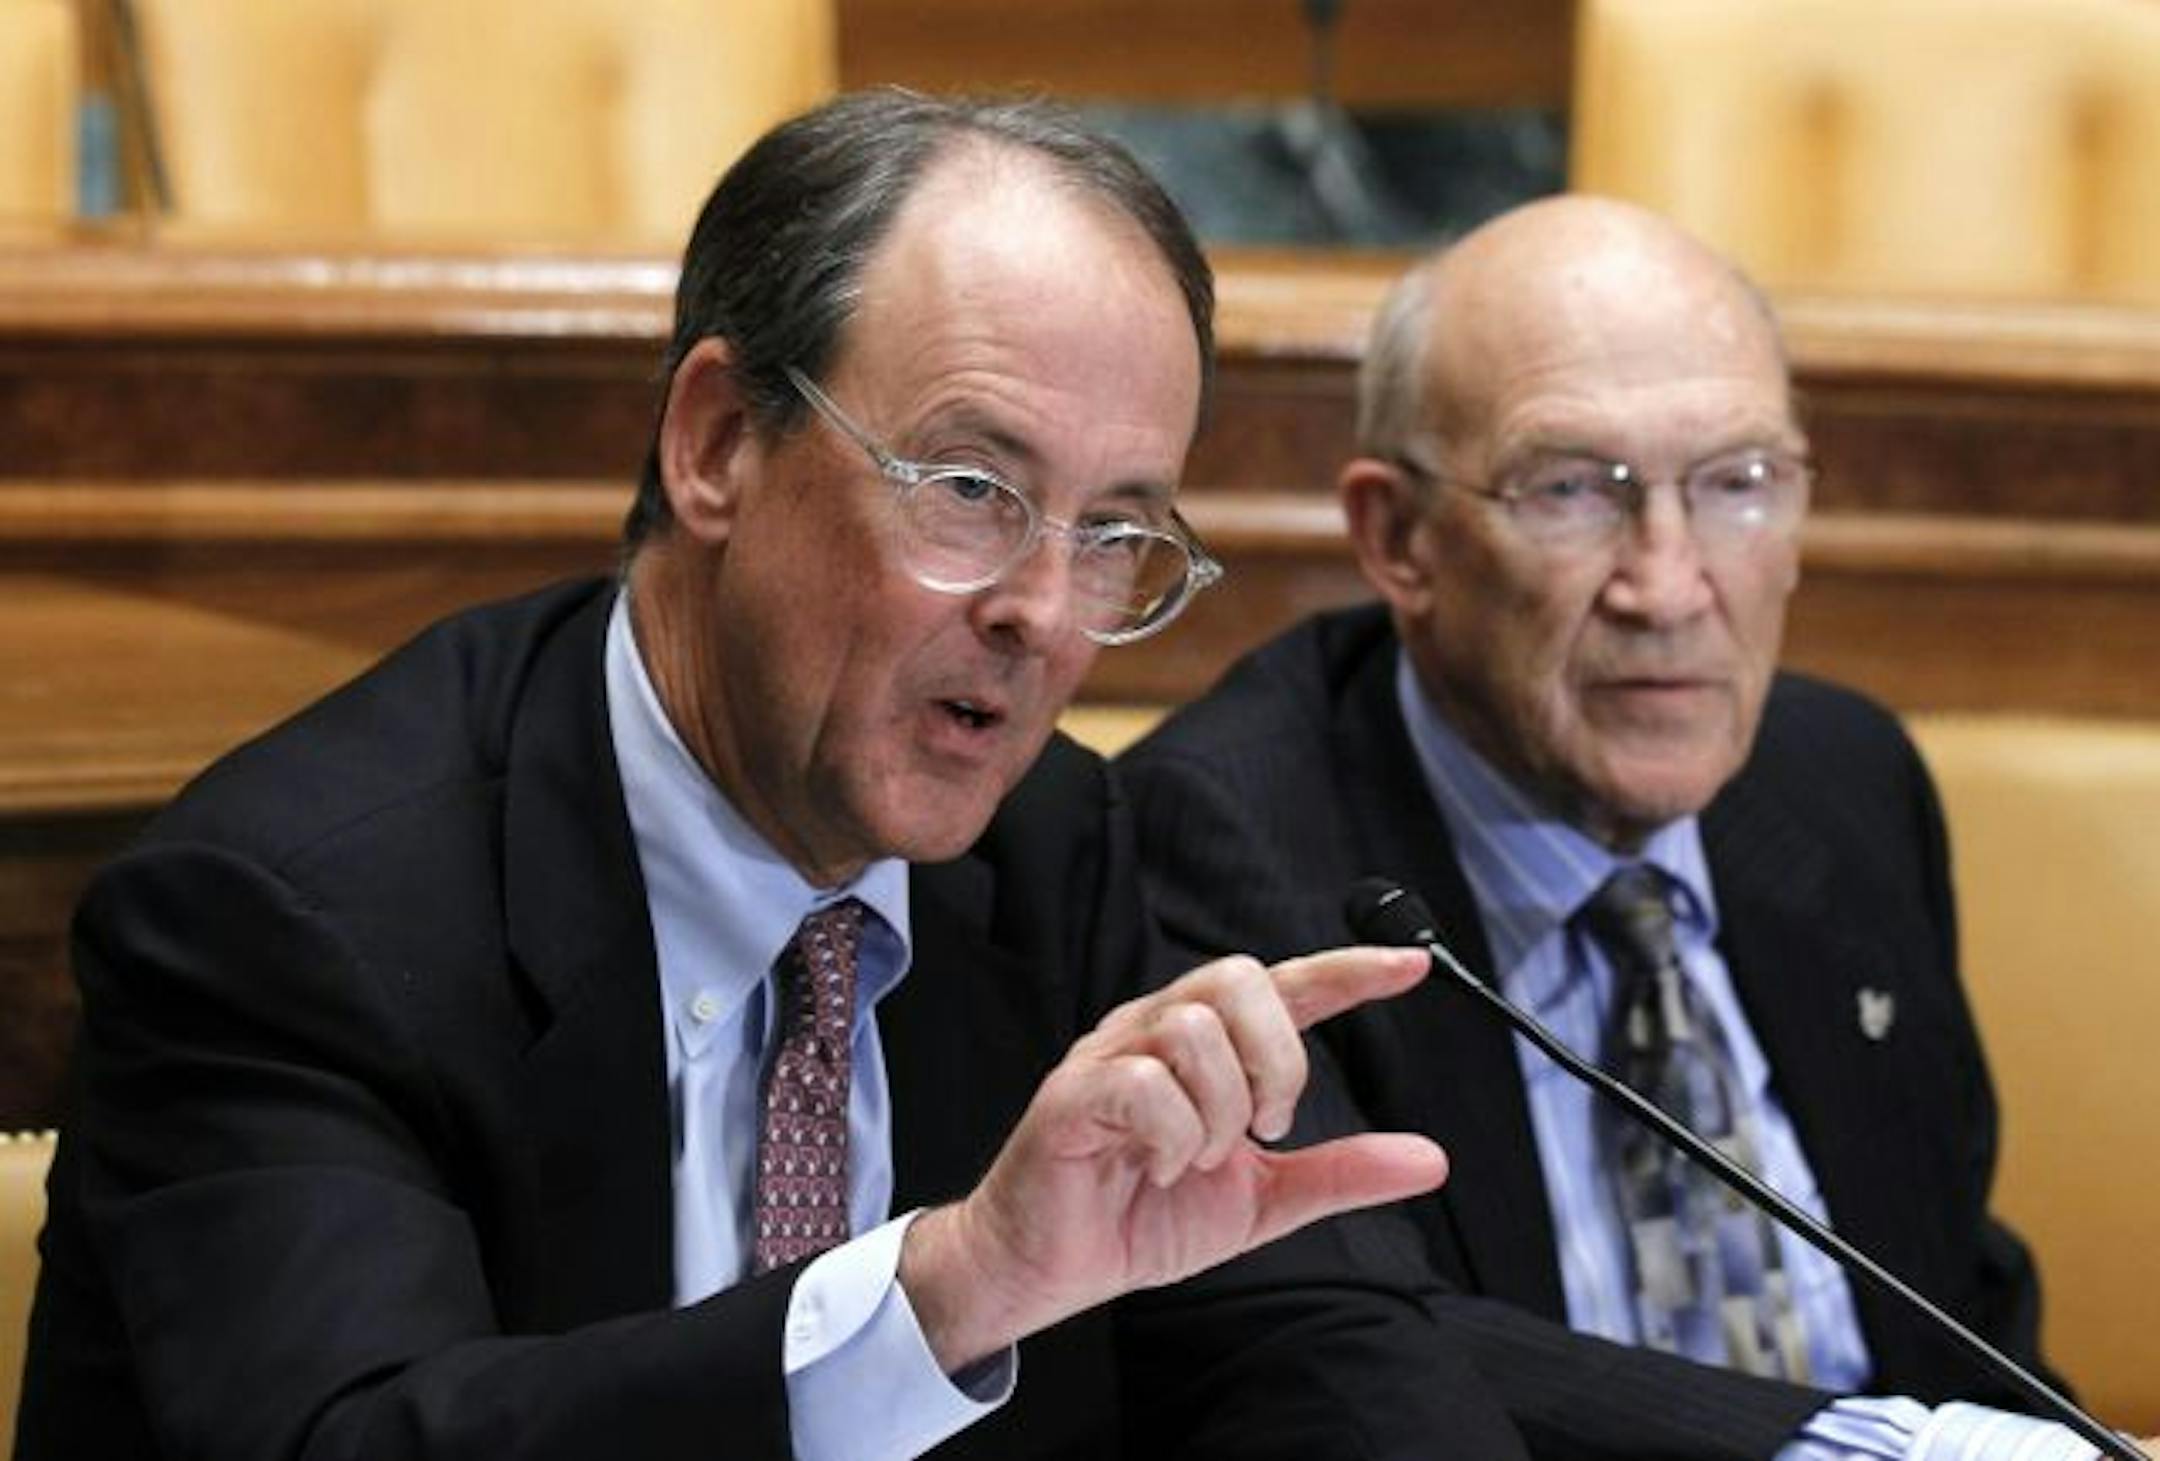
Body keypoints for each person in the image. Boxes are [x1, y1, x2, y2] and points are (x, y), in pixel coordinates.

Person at [15, 91, 1535, 1461]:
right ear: (720, 442)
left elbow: (1317, 1348)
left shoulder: (1068, 850)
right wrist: (942, 1291)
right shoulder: (292, 918)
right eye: (971, 491)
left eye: (1117, 535)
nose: (1046, 613)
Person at [1119, 196, 2148, 1459]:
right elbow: (1346, 1347)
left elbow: (1961, 1299)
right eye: (1572, 490)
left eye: (1739, 484)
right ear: (1398, 538)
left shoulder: (1843, 779)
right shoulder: (1221, 842)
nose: (1666, 586)